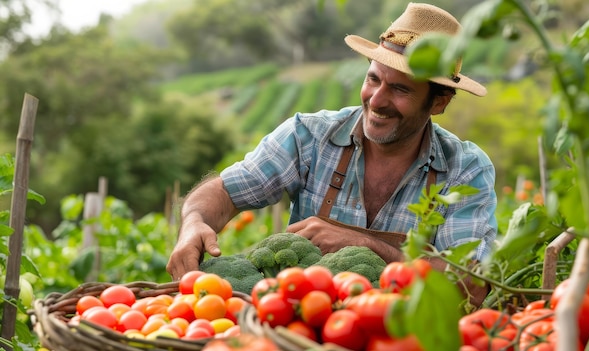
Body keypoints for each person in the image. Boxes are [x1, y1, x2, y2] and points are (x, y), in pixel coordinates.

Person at [167, 3, 497, 306]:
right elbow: (226, 190)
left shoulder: (463, 170)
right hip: (296, 329)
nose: (377, 100)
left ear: (439, 102)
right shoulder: (308, 136)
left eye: (400, 89)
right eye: (373, 79)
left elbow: (471, 283)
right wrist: (194, 222)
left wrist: (367, 246)